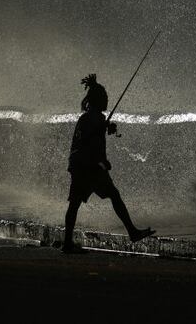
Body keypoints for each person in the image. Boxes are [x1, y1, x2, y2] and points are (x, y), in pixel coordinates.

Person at [60, 73, 154, 253]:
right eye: (104, 97)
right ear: (97, 100)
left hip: (83, 165)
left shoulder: (94, 118)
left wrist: (105, 130)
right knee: (108, 196)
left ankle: (67, 243)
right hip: (87, 167)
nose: (107, 100)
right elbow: (86, 141)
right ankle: (132, 232)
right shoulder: (89, 119)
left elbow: (95, 141)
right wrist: (101, 152)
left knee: (78, 203)